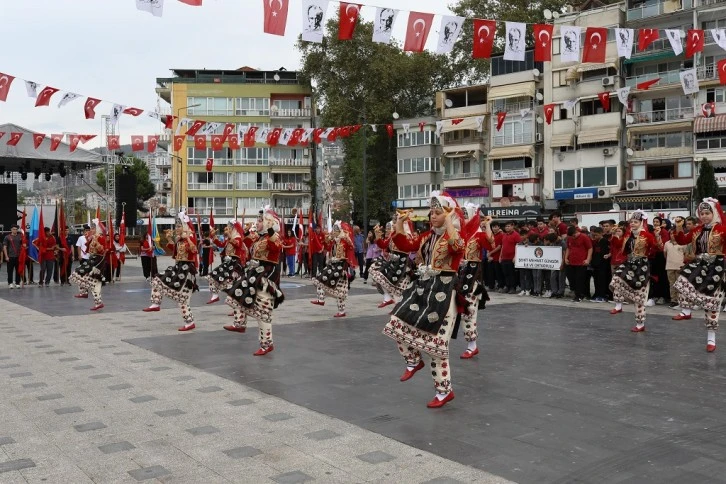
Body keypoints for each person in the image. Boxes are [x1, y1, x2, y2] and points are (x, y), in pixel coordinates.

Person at [382, 191, 465, 409]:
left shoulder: (452, 235)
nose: (433, 216)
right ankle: (413, 360)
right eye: (432, 212)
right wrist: (400, 224)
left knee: (436, 346)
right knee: (397, 322)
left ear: (448, 214)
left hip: (445, 293)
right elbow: (405, 244)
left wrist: (449, 221)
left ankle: (443, 391)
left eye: (438, 213)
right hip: (423, 288)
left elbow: (458, 248)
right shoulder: (428, 238)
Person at [224, 207, 285, 355]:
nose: (257, 223)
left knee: (264, 314)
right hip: (253, 275)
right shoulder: (259, 237)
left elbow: (276, 247)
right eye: (258, 220)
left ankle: (266, 344)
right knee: (236, 296)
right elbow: (243, 240)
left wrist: (270, 230)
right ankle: (240, 323)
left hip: (266, 278)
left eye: (260, 221)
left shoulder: (273, 236)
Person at [672, 199, 726, 352]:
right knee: (683, 280)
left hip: (716, 267)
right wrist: (678, 227)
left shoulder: (722, 229)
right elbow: (683, 240)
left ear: (714, 213)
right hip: (700, 264)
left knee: (711, 303)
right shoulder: (697, 230)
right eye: (701, 213)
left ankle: (711, 339)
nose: (704, 216)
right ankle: (686, 311)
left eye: (707, 213)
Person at [142, 211, 199, 332]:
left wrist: (187, 238)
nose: (176, 228)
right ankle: (156, 303)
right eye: (176, 226)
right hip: (178, 268)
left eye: (179, 226)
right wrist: (169, 239)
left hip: (187, 271)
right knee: (157, 280)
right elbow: (176, 251)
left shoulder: (190, 237)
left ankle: (189, 322)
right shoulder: (180, 240)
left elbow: (194, 251)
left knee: (183, 300)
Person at [609, 211, 658, 332]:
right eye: (631, 222)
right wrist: (615, 235)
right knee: (616, 279)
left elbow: (655, 247)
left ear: (641, 223)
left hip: (641, 266)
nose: (633, 224)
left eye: (636, 222)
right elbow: (619, 245)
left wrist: (657, 238)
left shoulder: (647, 235)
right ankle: (618, 305)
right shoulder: (627, 234)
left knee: (639, 296)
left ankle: (640, 324)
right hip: (629, 263)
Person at [457, 206, 494, 359]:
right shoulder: (461, 232)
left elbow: (490, 244)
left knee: (469, 310)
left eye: (467, 214)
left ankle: (472, 345)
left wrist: (488, 226)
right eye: (463, 213)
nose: (464, 216)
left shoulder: (478, 234)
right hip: (459, 274)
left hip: (473, 275)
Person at [310, 221, 357, 317]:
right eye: (334, 230)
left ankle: (341, 311)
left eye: (336, 230)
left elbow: (352, 247)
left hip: (341, 266)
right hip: (333, 264)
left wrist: (346, 238)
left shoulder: (344, 240)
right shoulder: (334, 241)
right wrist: (327, 238)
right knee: (320, 278)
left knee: (340, 291)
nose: (334, 232)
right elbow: (326, 244)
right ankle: (321, 299)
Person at [370, 215, 414, 308]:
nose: (393, 224)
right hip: (393, 262)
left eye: (396, 222)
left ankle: (398, 310)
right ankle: (388, 299)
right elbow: (383, 245)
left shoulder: (407, 236)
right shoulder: (392, 234)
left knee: (399, 290)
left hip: (403, 265)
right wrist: (377, 236)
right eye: (394, 222)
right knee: (378, 275)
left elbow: (408, 248)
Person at [69, 220, 107, 311]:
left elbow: (102, 250)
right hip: (92, 259)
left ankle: (97, 301)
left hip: (98, 260)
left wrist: (96, 240)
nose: (91, 230)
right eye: (92, 228)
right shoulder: (93, 237)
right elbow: (87, 248)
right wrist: (91, 238)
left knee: (94, 281)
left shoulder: (101, 238)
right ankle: (86, 293)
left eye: (94, 228)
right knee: (82, 274)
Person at [206, 220, 246, 307]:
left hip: (235, 263)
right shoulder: (229, 239)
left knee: (231, 283)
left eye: (230, 227)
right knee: (212, 276)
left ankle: (236, 306)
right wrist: (214, 236)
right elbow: (221, 245)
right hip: (227, 263)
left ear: (234, 228)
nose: (228, 229)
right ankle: (215, 295)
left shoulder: (238, 237)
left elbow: (237, 245)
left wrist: (229, 236)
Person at [663, 224, 686, 309]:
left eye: (674, 233)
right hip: (669, 266)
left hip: (680, 266)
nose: (672, 235)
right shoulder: (667, 244)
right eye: (671, 234)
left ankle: (681, 300)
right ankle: (674, 300)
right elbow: (665, 254)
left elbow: (685, 254)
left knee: (680, 284)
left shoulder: (682, 244)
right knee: (672, 284)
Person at [590, 227, 610, 302]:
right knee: (596, 280)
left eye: (597, 235)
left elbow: (604, 254)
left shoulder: (605, 241)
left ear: (601, 233)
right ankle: (597, 294)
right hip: (596, 265)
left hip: (602, 265)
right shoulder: (596, 242)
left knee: (602, 281)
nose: (595, 237)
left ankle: (602, 295)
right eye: (594, 235)